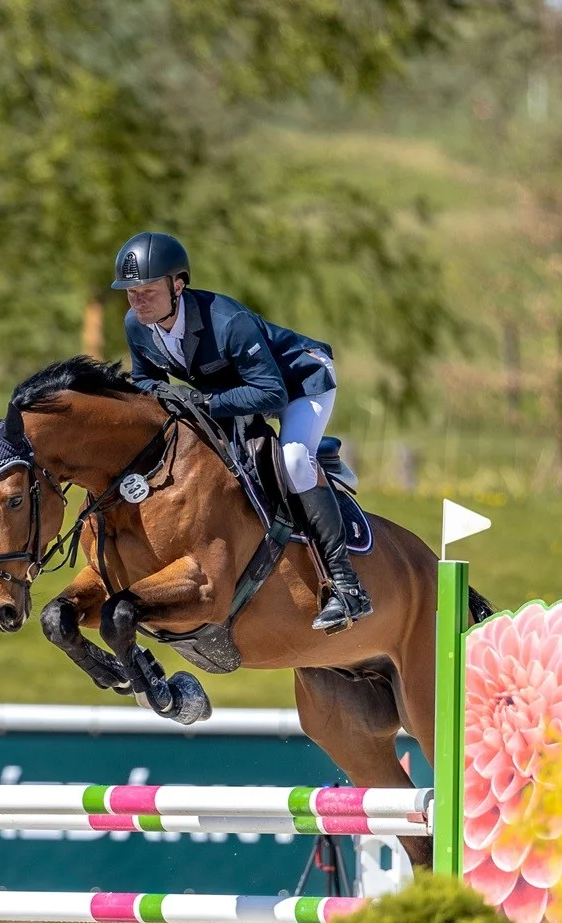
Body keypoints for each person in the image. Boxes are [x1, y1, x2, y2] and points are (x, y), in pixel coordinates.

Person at [112, 231, 372, 630]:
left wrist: (204, 403)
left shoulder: (228, 323)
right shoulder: (137, 325)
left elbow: (270, 394)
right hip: (239, 390)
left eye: (147, 290)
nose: (137, 300)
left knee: (295, 460)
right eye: (130, 292)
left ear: (178, 284)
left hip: (301, 382)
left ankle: (346, 587)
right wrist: (171, 397)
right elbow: (145, 382)